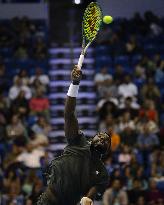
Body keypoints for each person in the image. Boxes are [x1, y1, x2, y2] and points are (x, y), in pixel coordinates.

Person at [37, 65, 111, 205]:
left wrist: (87, 199)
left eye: (107, 140)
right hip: (48, 200)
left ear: (107, 151)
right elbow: (69, 114)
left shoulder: (102, 173)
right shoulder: (78, 141)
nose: (103, 138)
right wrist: (75, 83)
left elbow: (90, 196)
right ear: (92, 139)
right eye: (100, 135)